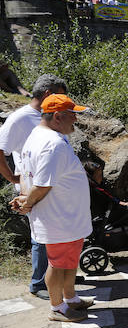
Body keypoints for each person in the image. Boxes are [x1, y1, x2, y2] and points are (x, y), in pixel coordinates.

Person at [10, 94, 94, 321]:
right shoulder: (52, 144)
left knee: (69, 260)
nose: (75, 121)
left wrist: (25, 200)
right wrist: (27, 202)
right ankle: (57, 308)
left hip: (65, 215)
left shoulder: (39, 136)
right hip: (59, 217)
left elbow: (31, 176)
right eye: (72, 116)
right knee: (57, 264)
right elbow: (43, 184)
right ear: (57, 116)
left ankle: (71, 298)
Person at [0, 74, 68, 299]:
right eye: (60, 94)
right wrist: (12, 179)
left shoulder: (49, 117)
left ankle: (59, 275)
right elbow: (1, 150)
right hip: (32, 186)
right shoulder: (19, 118)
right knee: (40, 235)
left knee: (59, 232)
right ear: (48, 94)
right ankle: (39, 283)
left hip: (55, 185)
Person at [83, 160, 128, 233]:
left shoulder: (98, 185)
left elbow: (111, 200)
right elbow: (108, 205)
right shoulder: (94, 190)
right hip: (112, 216)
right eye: (98, 175)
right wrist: (125, 206)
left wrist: (123, 204)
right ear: (91, 176)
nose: (101, 177)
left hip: (118, 210)